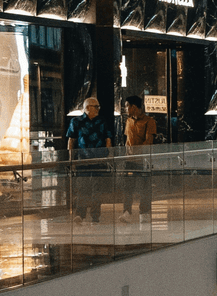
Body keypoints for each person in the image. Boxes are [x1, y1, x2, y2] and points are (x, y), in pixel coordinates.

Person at [66, 95, 116, 224]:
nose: (98, 109)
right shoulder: (76, 122)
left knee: (97, 189)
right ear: (87, 108)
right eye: (96, 107)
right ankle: (80, 215)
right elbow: (71, 140)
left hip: (99, 160)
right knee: (82, 188)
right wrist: (71, 160)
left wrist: (109, 156)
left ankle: (95, 216)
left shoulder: (102, 121)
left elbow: (108, 139)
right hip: (82, 160)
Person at [121, 98, 158, 222]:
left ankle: (144, 212)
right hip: (130, 160)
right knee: (128, 187)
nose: (125, 109)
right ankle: (126, 212)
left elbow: (148, 141)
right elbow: (127, 141)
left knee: (145, 187)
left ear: (134, 107)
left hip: (143, 160)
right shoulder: (128, 121)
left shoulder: (149, 121)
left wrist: (139, 154)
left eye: (127, 106)